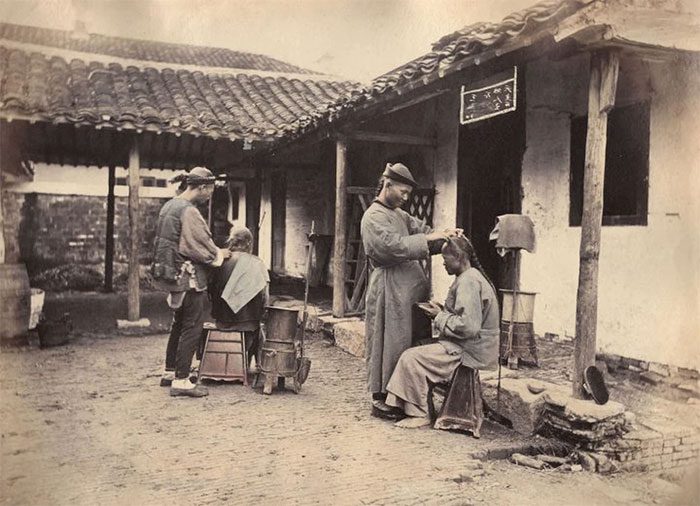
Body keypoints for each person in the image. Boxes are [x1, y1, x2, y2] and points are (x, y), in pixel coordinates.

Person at [360, 162, 459, 418]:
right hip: (390, 288)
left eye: (408, 194)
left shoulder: (401, 215)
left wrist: (446, 237)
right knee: (390, 341)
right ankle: (383, 399)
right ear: (387, 184)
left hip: (411, 291)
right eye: (402, 192)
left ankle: (408, 396)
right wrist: (428, 239)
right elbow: (391, 247)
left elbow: (425, 234)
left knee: (411, 341)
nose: (405, 198)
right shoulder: (373, 216)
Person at [384, 234, 500, 428]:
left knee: (411, 357)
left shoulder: (468, 282)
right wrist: (441, 310)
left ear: (459, 258)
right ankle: (411, 405)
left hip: (469, 350)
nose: (443, 264)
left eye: (445, 259)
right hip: (468, 345)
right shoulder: (468, 277)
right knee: (418, 347)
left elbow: (469, 327)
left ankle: (420, 414)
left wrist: (439, 316)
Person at [152, 166, 231, 397]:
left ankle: (170, 371)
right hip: (188, 276)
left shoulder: (170, 205)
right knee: (193, 325)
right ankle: (182, 380)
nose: (210, 195)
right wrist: (219, 254)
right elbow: (198, 246)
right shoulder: (189, 211)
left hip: (173, 273)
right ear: (202, 187)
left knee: (179, 323)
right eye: (210, 190)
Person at [207, 225, 269, 369]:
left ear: (232, 241)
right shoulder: (257, 263)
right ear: (248, 243)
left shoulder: (220, 261)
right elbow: (265, 296)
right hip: (248, 325)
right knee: (259, 330)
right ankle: (256, 363)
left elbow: (210, 291)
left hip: (222, 321)